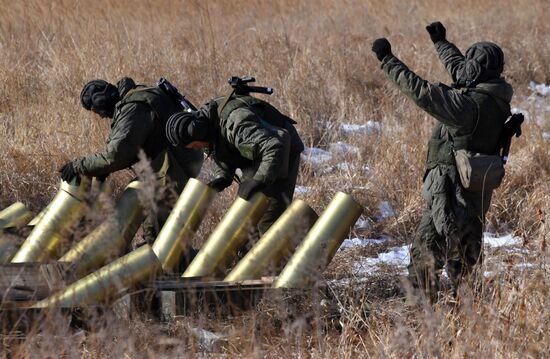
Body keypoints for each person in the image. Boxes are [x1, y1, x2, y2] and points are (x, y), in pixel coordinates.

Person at [371, 22, 514, 302]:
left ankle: (420, 322)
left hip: (449, 193)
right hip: (475, 193)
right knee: (466, 261)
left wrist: (387, 60)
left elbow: (422, 92)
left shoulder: (466, 107)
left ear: (477, 70)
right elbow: (463, 71)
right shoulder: (495, 96)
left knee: (426, 255)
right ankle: (472, 322)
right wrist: (441, 43)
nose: (465, 69)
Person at [59, 77, 204, 240]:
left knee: (156, 232)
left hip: (175, 166)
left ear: (101, 101)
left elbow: (116, 156)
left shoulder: (132, 108)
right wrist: (100, 170)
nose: (100, 116)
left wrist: (79, 166)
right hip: (179, 160)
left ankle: (173, 262)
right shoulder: (136, 96)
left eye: (96, 110)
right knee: (158, 226)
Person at [165, 90, 304, 235]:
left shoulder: (237, 124)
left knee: (268, 223)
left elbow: (274, 147)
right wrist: (222, 177)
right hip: (255, 153)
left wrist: (258, 181)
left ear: (198, 133)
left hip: (281, 150)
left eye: (195, 145)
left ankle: (288, 252)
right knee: (247, 220)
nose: (198, 149)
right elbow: (221, 149)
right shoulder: (208, 126)